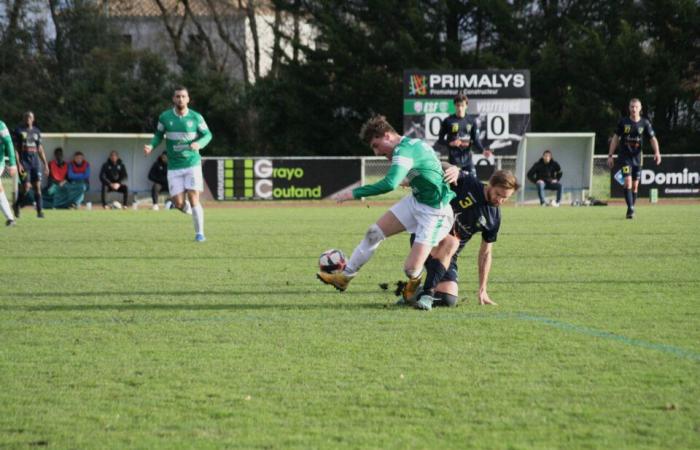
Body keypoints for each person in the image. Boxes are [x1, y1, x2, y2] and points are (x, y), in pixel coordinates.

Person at [317, 115, 455, 302]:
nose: (376, 153)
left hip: (435, 213)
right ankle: (344, 277)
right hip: (416, 201)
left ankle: (415, 284)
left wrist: (355, 193)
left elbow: (389, 184)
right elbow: (430, 168)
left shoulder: (404, 150)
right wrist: (414, 179)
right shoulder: (411, 145)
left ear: (388, 136)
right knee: (374, 233)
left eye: (376, 145)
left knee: (411, 269)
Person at [412, 170, 520, 311]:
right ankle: (423, 288)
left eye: (505, 198)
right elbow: (439, 169)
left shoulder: (494, 218)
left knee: (448, 300)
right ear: (490, 185)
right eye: (498, 194)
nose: (499, 200)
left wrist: (482, 289)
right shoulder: (468, 183)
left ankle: (413, 293)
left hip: (449, 255)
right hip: (427, 237)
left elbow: (486, 253)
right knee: (451, 242)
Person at [144, 86, 212, 241]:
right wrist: (151, 145)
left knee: (194, 196)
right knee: (178, 202)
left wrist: (199, 144)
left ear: (188, 99)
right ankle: (184, 207)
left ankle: (199, 234)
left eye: (183, 96)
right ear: (173, 99)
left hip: (192, 163)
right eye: (177, 96)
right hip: (174, 166)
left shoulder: (196, 117)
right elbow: (158, 135)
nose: (180, 99)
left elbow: (208, 135)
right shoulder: (165, 117)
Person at [607, 98, 661, 219]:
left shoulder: (645, 123)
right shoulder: (623, 122)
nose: (634, 109)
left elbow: (653, 139)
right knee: (627, 182)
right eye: (632, 107)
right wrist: (610, 155)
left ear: (640, 108)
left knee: (635, 186)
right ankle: (631, 209)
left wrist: (657, 152)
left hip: (637, 158)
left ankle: (631, 207)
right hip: (625, 157)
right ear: (629, 108)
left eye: (636, 107)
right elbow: (615, 138)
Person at [436, 94, 491, 177]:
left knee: (473, 182)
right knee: (455, 186)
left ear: (466, 106)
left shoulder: (471, 121)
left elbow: (475, 140)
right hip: (453, 161)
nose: (460, 108)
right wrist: (450, 143)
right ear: (455, 106)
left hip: (468, 160)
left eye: (462, 105)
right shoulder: (448, 121)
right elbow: (440, 140)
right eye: (458, 105)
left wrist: (483, 151)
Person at [12, 111, 49, 218]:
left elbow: (40, 149)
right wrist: (18, 164)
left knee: (37, 187)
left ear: (33, 119)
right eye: (26, 117)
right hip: (24, 163)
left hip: (35, 163)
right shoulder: (19, 130)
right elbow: (16, 150)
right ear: (23, 119)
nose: (28, 119)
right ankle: (17, 205)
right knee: (26, 187)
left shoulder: (37, 132)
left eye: (30, 117)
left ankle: (39, 211)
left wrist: (45, 164)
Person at [0, 118, 18, 226]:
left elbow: (9, 143)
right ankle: (10, 219)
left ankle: (10, 219)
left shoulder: (1, 125)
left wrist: (12, 163)